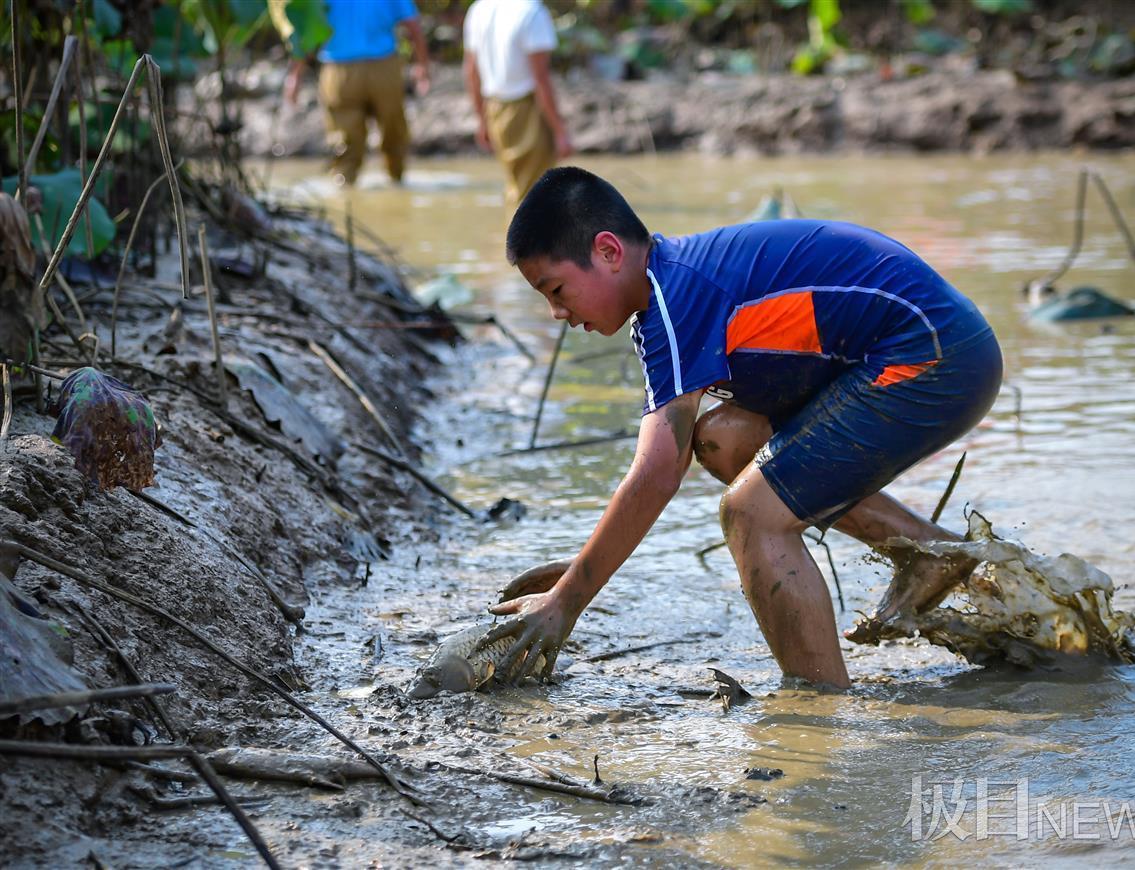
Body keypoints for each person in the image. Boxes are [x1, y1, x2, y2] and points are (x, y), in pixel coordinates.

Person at [484, 167, 1003, 690]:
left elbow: (655, 474)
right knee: (722, 440)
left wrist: (568, 600)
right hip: (921, 347)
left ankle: (816, 710)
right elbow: (674, 453)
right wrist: (582, 570)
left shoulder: (678, 297)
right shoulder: (665, 288)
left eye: (555, 289)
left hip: (935, 356)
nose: (554, 313)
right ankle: (927, 552)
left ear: (609, 252)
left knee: (750, 514)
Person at [282, 0, 430, 186]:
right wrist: (422, 66)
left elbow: (305, 32)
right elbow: (413, 26)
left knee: (346, 140)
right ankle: (396, 180)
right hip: (381, 69)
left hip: (342, 72)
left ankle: (347, 187)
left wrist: (296, 75)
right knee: (391, 133)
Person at [462, 0, 572, 205]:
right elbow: (540, 79)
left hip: (494, 108)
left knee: (517, 188)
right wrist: (560, 131)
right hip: (526, 109)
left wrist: (482, 119)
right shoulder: (531, 12)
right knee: (535, 199)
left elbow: (471, 71)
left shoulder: (480, 9)